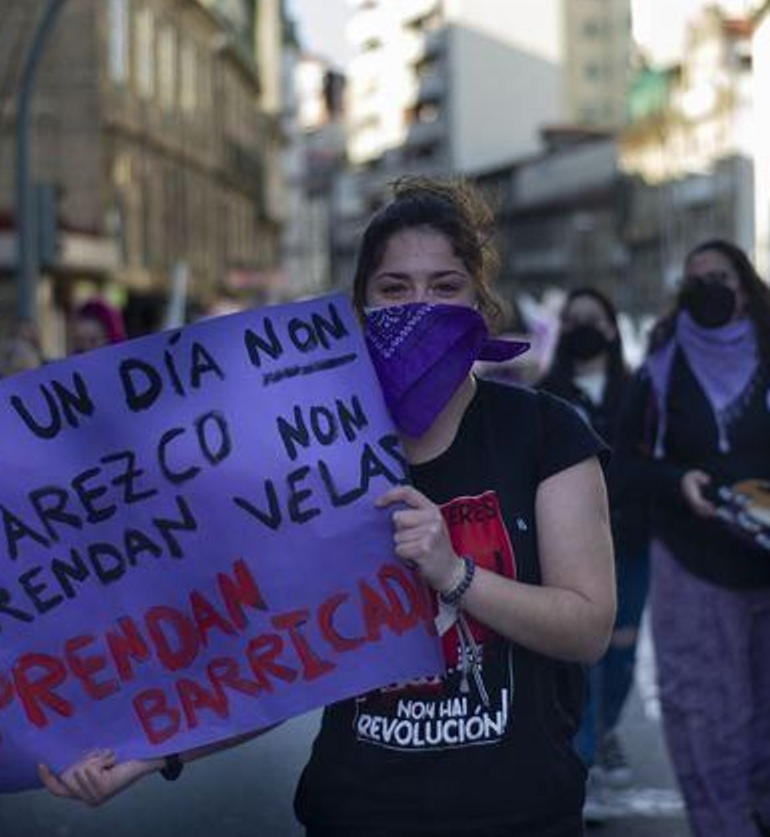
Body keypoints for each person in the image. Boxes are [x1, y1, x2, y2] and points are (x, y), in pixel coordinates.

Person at [41, 178, 618, 836]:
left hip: (521, 816)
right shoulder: (316, 452)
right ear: (360, 308)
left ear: (480, 302)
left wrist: (456, 575)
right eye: (395, 289)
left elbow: (588, 627)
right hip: (357, 813)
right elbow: (279, 658)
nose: (419, 306)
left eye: (445, 286)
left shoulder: (544, 432)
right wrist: (148, 754)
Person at [614, 240, 770, 837]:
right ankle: (722, 824)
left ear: (745, 285)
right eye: (695, 280)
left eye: (719, 277)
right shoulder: (662, 366)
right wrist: (677, 483)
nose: (709, 288)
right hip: (695, 564)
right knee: (702, 711)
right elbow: (625, 456)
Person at [536, 288, 649, 802]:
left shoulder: (639, 391)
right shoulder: (546, 394)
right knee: (584, 655)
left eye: (594, 318)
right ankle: (582, 762)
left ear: (610, 327)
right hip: (571, 545)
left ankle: (603, 731)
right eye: (574, 319)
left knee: (621, 654)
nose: (585, 326)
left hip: (630, 542)